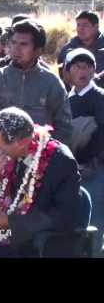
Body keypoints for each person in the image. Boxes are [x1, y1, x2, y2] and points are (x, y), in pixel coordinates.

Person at [0, 107, 80, 257]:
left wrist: (10, 221)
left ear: (23, 142)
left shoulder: (61, 161)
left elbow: (64, 216)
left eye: (0, 147)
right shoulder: (0, 156)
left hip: (30, 244)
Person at [65, 48, 104, 249]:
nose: (83, 71)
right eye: (78, 66)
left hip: (96, 169)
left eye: (88, 67)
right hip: (72, 170)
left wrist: (89, 161)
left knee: (95, 225)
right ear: (67, 71)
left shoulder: (100, 98)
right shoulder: (65, 99)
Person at [58, 11, 104, 86]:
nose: (80, 29)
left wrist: (97, 78)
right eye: (78, 25)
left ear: (96, 27)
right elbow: (62, 75)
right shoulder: (68, 48)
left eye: (85, 25)